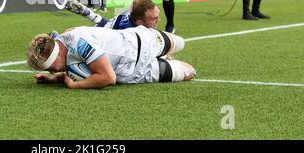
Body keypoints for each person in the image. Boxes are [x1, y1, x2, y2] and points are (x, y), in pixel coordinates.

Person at [27, 25, 195, 89]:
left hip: (140, 39)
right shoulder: (61, 42)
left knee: (181, 42)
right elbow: (70, 68)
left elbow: (108, 78)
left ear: (56, 55)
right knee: (190, 72)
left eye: (49, 67)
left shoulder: (80, 43)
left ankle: (165, 56)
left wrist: (75, 86)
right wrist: (53, 79)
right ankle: (164, 61)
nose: (50, 71)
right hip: (136, 70)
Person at [65, 0, 162, 30]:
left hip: (107, 25)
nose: (159, 20)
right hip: (99, 36)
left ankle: (88, 13)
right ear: (139, 22)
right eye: (154, 18)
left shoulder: (130, 12)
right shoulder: (129, 32)